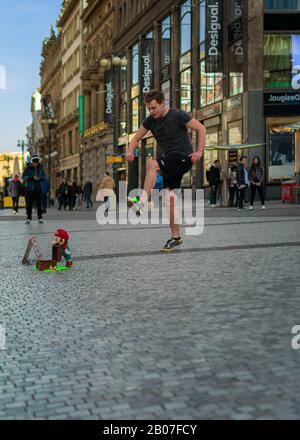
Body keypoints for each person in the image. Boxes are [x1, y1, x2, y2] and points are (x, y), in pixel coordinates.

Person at [125, 89, 206, 252]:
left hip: (183, 156)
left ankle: (141, 201)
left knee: (152, 165)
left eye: (154, 108)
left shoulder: (178, 115)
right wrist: (129, 151)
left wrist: (199, 151)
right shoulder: (150, 120)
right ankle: (176, 237)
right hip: (170, 158)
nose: (151, 111)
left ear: (163, 104)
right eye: (149, 108)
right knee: (170, 199)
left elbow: (201, 129)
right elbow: (135, 138)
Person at [22, 155, 47, 224]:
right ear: (32, 162)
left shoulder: (41, 168)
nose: (36, 163)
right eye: (34, 162)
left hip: (39, 189)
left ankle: (40, 218)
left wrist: (39, 178)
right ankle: (28, 218)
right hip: (30, 189)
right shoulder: (27, 169)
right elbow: (24, 177)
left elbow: (44, 176)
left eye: (37, 162)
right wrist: (32, 177)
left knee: (39, 205)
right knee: (30, 205)